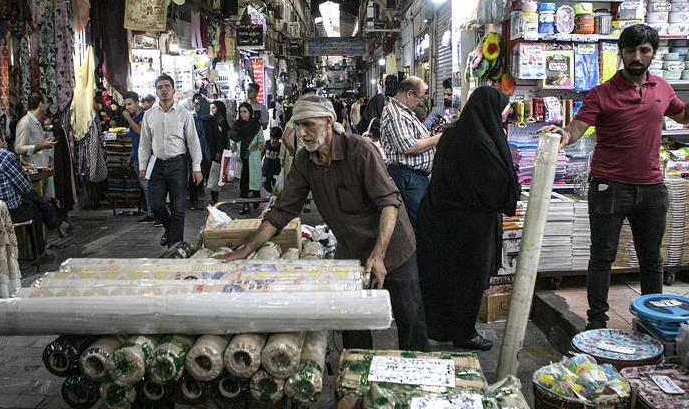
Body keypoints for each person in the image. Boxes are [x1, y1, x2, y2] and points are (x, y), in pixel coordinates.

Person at [542, 24, 689, 330]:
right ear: (621, 53)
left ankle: (653, 320)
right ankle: (596, 322)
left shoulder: (662, 88)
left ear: (653, 53)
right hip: (609, 187)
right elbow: (577, 128)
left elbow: (684, 115)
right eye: (630, 50)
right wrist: (563, 134)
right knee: (602, 258)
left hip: (652, 188)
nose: (637, 56)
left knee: (652, 260)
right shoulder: (602, 93)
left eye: (644, 50)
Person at [218, 95, 430, 351]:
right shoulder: (304, 162)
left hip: (393, 247)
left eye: (309, 124)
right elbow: (283, 211)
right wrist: (245, 250)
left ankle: (420, 380)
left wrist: (379, 254)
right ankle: (355, 376)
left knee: (410, 320)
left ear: (329, 122)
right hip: (351, 250)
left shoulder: (359, 150)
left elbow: (388, 202)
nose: (302, 132)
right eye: (298, 126)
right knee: (353, 325)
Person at [417, 87, 519, 351]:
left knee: (442, 278)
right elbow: (499, 189)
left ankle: (438, 329)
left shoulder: (451, 135)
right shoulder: (484, 144)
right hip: (471, 228)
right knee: (469, 281)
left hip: (439, 219)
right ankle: (464, 334)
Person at [0, 125, 73, 252]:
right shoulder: (4, 155)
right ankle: (41, 251)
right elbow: (25, 186)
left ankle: (58, 225)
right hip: (9, 210)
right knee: (36, 206)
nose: (6, 142)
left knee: (35, 200)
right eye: (4, 139)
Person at [138, 74, 203, 246]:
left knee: (178, 208)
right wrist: (143, 166)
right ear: (156, 92)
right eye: (160, 87)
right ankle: (170, 230)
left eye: (167, 86)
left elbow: (193, 142)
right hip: (156, 164)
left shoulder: (184, 114)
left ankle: (176, 247)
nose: (164, 90)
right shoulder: (149, 115)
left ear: (173, 90)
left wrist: (196, 167)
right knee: (156, 205)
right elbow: (144, 143)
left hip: (178, 165)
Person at [380, 77, 442, 226]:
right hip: (408, 177)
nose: (420, 102)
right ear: (409, 94)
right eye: (420, 97)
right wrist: (437, 139)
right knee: (420, 222)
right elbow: (408, 146)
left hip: (414, 177)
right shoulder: (397, 115)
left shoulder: (405, 112)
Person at [123, 91, 154, 223]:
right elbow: (136, 141)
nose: (127, 107)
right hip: (137, 157)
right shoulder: (135, 118)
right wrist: (130, 158)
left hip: (145, 158)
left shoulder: (144, 116)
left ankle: (154, 214)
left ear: (137, 103)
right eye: (125, 105)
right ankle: (152, 212)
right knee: (144, 186)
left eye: (130, 104)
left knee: (148, 186)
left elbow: (141, 133)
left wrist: (128, 119)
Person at [230, 102, 265, 215]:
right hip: (241, 157)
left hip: (253, 156)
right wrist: (233, 144)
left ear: (250, 112)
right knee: (243, 183)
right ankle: (245, 206)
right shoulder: (237, 125)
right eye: (240, 112)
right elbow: (233, 138)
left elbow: (261, 139)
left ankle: (256, 197)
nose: (242, 114)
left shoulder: (256, 125)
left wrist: (260, 144)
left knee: (254, 180)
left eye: (245, 112)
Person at [189, 94, 218, 211]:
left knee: (212, 175)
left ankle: (214, 198)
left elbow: (216, 136)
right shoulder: (191, 117)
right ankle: (193, 200)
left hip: (208, 151)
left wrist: (218, 151)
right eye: (194, 104)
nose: (196, 106)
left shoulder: (210, 119)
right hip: (194, 152)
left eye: (198, 104)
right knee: (193, 178)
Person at [14, 92, 56, 169]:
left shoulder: (36, 122)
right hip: (33, 171)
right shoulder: (25, 122)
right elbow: (19, 148)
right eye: (46, 103)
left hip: (42, 168)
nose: (47, 106)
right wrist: (42, 146)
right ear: (40, 104)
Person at [209, 100, 231, 205]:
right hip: (215, 149)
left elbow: (222, 138)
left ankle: (214, 194)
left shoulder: (220, 120)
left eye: (213, 108)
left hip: (219, 150)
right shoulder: (213, 119)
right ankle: (214, 194)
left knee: (216, 172)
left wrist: (219, 150)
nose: (211, 110)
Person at [262, 126, 283, 192]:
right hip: (266, 169)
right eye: (272, 138)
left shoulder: (281, 146)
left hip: (276, 170)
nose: (274, 140)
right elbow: (262, 153)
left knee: (277, 186)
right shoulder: (267, 143)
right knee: (265, 185)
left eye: (276, 139)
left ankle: (277, 198)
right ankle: (271, 195)